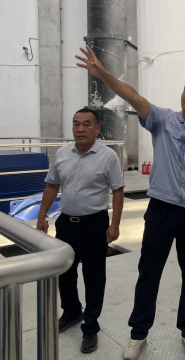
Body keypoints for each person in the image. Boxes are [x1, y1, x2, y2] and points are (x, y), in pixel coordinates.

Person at [75, 45, 185, 360]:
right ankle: (138, 334)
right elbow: (133, 96)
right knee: (148, 273)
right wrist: (102, 73)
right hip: (161, 210)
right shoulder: (163, 120)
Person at [36, 108, 125, 354]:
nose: (80, 129)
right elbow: (52, 185)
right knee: (64, 272)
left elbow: (118, 190)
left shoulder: (108, 157)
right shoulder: (62, 153)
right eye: (76, 124)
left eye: (87, 124)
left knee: (94, 277)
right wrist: (42, 215)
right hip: (66, 223)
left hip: (95, 224)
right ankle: (72, 312)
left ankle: (91, 326)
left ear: (97, 129)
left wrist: (115, 224)